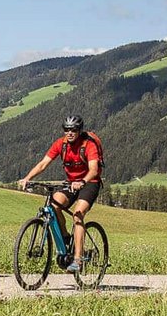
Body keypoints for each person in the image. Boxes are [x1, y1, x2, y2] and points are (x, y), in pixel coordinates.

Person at [15, 115, 102, 272]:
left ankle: (78, 259)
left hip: (90, 183)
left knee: (78, 214)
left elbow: (94, 170)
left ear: (79, 130)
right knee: (54, 205)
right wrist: (27, 178)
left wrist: (82, 182)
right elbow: (43, 164)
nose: (69, 133)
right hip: (70, 184)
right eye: (66, 129)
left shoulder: (88, 145)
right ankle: (66, 237)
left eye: (73, 130)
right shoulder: (60, 144)